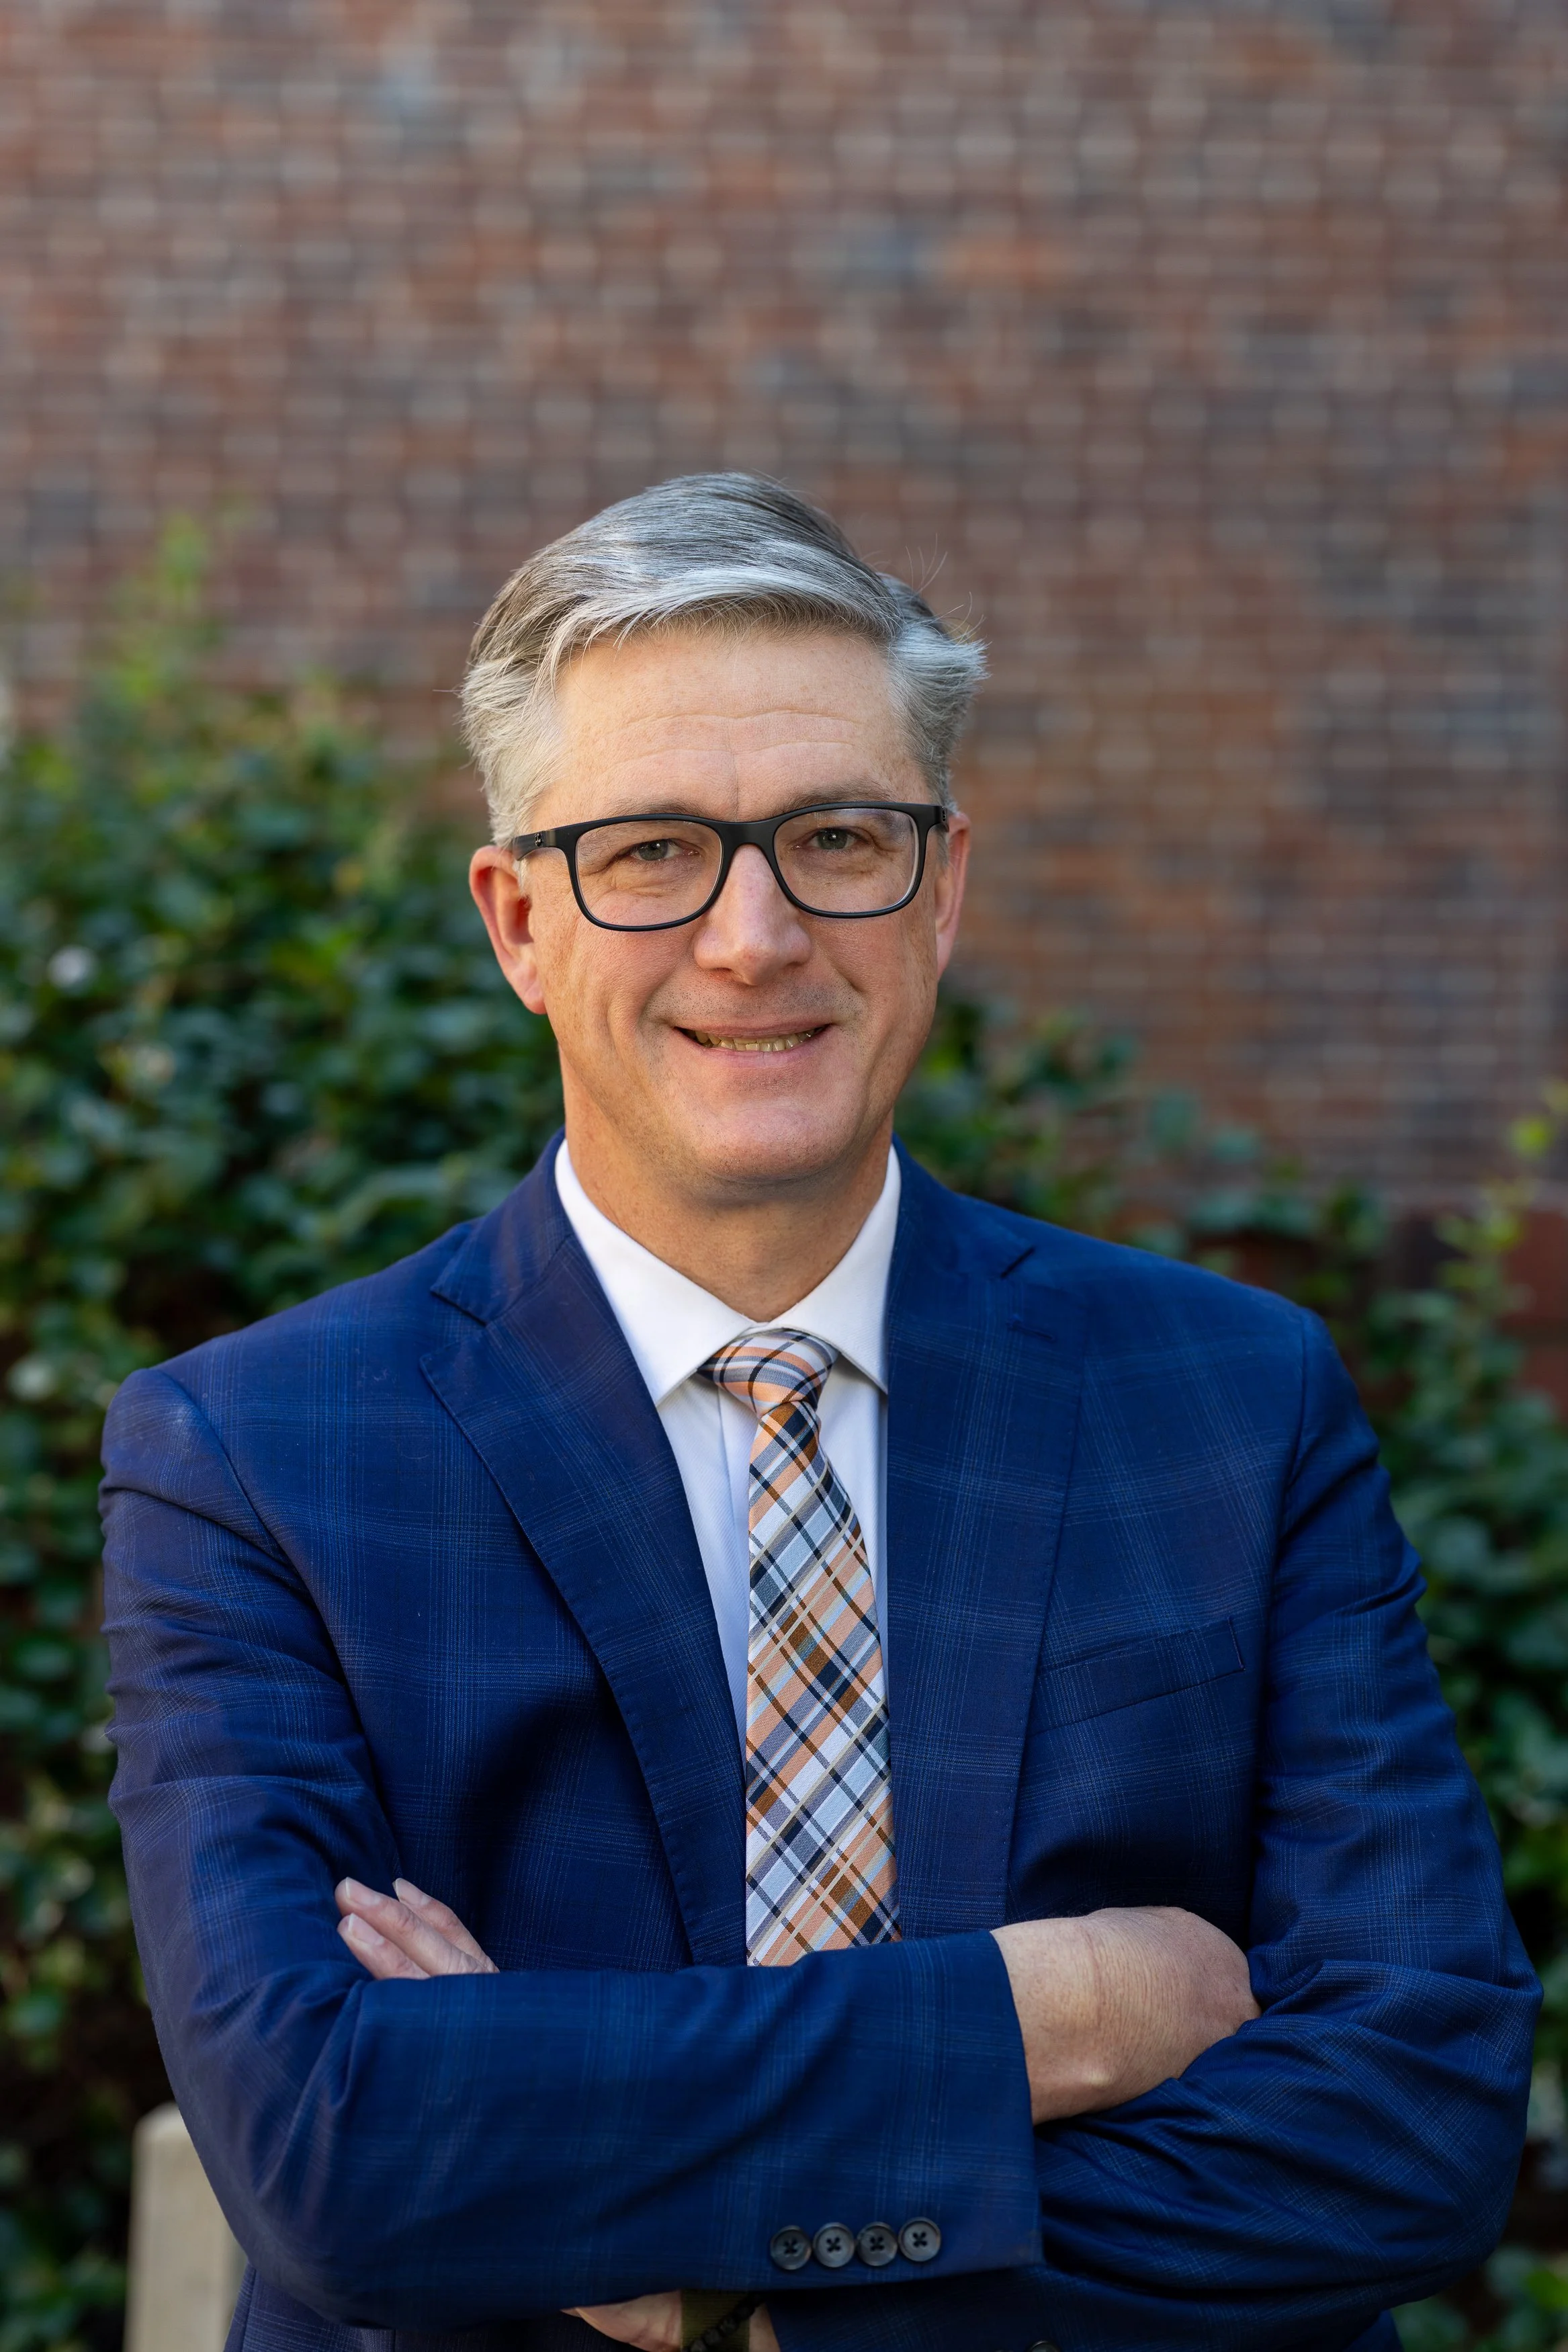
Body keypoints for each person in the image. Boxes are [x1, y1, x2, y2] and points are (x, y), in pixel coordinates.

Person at [101, 474, 1537, 2352]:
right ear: (519, 921)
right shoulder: (253, 1451)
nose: (755, 936)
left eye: (837, 838)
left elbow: (1414, 2116)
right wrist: (1054, 2014)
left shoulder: (1233, 1398)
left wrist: (693, 2258)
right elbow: (333, 2152)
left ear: (940, 890)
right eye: (649, 852)